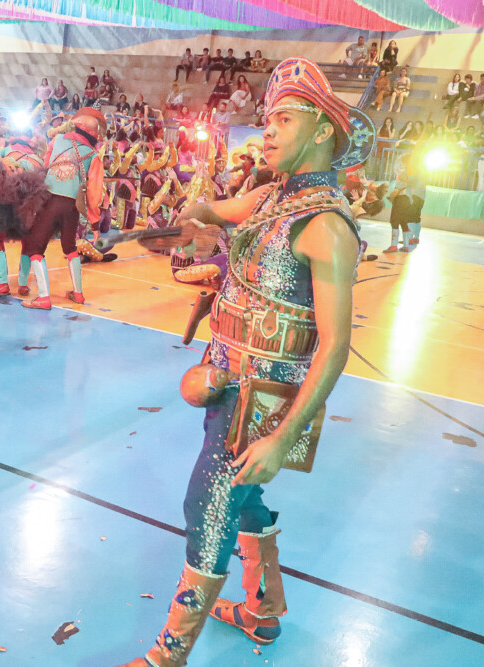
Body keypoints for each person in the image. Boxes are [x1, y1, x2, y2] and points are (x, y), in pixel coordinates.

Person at [118, 56, 368, 667]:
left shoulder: (325, 226)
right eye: (268, 118)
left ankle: (167, 656)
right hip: (227, 382)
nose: (268, 131)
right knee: (243, 497)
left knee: (208, 506)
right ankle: (262, 610)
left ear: (323, 130)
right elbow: (212, 213)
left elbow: (334, 346)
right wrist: (192, 218)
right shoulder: (269, 197)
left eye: (284, 119)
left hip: (262, 401)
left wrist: (281, 439)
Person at [20, 107, 105, 310]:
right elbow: (95, 192)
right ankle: (78, 294)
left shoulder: (57, 141)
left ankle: (43, 297)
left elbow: (45, 166)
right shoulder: (93, 155)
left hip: (50, 200)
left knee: (35, 247)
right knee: (70, 247)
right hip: (72, 206)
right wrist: (95, 225)